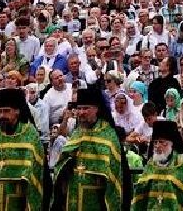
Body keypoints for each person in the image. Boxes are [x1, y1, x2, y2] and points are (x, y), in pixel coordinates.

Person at [0, 87, 49, 211]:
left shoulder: (30, 134)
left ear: (17, 111)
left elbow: (35, 174)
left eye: (6, 111)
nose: (1, 116)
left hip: (19, 198)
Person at [53, 83, 130, 211]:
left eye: (86, 108)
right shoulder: (78, 132)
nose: (81, 112)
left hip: (97, 198)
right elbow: (62, 163)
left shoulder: (108, 135)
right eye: (80, 108)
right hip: (73, 194)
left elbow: (114, 174)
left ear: (96, 109)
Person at [130, 119, 183, 210]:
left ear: (171, 143)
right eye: (155, 142)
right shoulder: (151, 162)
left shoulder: (181, 163)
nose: (157, 146)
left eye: (161, 142)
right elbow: (141, 189)